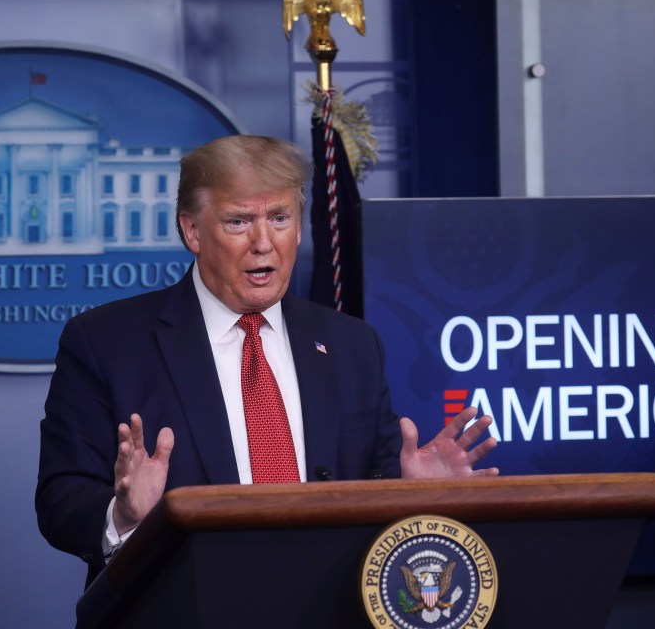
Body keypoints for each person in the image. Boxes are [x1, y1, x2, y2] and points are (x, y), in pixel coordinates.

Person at [35, 135, 498, 586]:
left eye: (279, 218)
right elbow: (61, 500)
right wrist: (124, 515)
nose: (263, 243)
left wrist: (410, 496)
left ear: (299, 227)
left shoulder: (351, 343)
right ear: (192, 231)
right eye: (238, 222)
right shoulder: (106, 342)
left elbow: (370, 483)